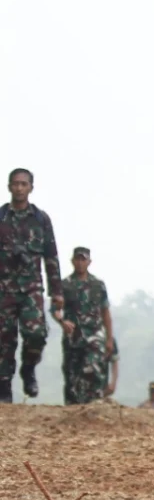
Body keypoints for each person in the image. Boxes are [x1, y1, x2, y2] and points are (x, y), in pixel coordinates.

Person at [0, 168, 63, 402]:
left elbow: (51, 257)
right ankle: (4, 387)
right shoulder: (1, 218)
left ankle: (28, 368)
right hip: (3, 289)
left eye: (23, 184)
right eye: (15, 184)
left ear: (30, 188)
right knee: (3, 341)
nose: (19, 188)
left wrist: (57, 293)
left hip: (31, 289)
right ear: (9, 187)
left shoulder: (40, 219)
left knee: (36, 334)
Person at [56, 247, 115, 405]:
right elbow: (55, 310)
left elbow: (105, 312)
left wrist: (109, 339)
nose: (80, 263)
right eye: (78, 259)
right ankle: (73, 408)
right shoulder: (65, 285)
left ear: (89, 262)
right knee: (72, 375)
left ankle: (94, 403)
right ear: (72, 261)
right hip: (73, 336)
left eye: (84, 259)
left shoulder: (98, 285)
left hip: (94, 334)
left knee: (93, 368)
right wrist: (62, 322)